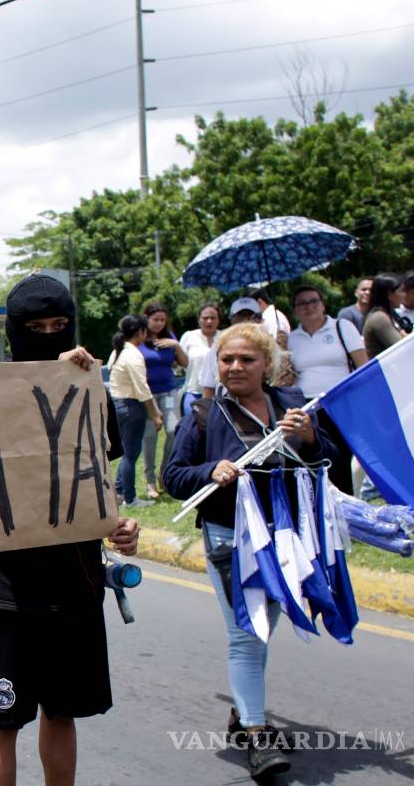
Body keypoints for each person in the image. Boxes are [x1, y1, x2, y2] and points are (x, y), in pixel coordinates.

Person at [0, 274, 140, 786]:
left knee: (62, 712)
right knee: (3, 720)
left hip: (76, 584)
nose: (49, 336)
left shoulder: (90, 389)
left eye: (59, 326)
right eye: (36, 328)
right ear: (14, 331)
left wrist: (120, 526)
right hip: (10, 591)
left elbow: (97, 479)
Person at [163, 323, 338, 781]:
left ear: (267, 365)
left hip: (285, 538)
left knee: (263, 630)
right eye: (226, 359)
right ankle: (258, 736)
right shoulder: (203, 414)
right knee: (246, 633)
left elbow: (327, 461)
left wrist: (310, 438)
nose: (235, 367)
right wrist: (210, 471)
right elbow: (173, 477)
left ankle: (243, 715)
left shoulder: (293, 407)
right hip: (230, 538)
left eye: (247, 359)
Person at [286, 284, 366, 494]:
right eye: (302, 303)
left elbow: (363, 367)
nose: (309, 306)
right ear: (295, 310)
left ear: (323, 304)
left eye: (314, 301)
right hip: (307, 407)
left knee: (341, 459)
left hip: (339, 403)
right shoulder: (291, 339)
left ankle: (345, 504)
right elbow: (287, 376)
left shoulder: (342, 327)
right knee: (313, 460)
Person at [107, 314, 163, 508]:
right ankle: (130, 498)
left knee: (126, 453)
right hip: (131, 406)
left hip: (117, 404)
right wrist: (155, 414)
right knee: (130, 454)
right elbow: (142, 388)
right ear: (141, 332)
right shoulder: (133, 354)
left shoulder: (118, 350)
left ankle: (119, 492)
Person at [139, 302, 185, 501]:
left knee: (174, 431)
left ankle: (164, 474)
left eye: (162, 320)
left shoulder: (170, 337)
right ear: (146, 318)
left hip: (169, 392)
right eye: (155, 319)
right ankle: (150, 481)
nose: (159, 323)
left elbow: (185, 363)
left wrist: (176, 345)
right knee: (150, 437)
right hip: (148, 395)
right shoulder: (138, 339)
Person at [198, 297, 263, 399]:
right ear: (231, 319)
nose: (246, 321)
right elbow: (208, 388)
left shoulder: (268, 347)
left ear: (260, 319)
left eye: (251, 316)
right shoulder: (217, 347)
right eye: (240, 317)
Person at [178, 303, 221, 417]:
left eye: (213, 318)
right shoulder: (189, 336)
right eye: (205, 318)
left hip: (218, 394)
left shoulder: (224, 337)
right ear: (199, 319)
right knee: (192, 423)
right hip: (193, 391)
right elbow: (181, 363)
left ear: (218, 320)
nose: (209, 321)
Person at [361, 273, 407, 358]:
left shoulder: (388, 315)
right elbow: (402, 348)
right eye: (402, 291)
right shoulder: (379, 318)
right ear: (389, 295)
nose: (404, 295)